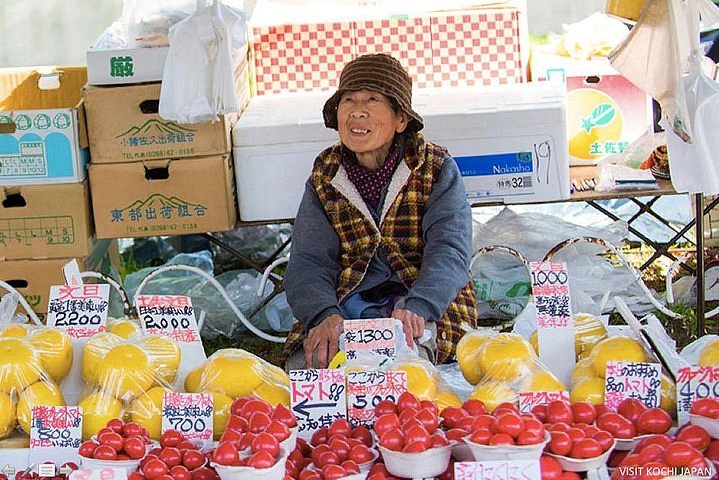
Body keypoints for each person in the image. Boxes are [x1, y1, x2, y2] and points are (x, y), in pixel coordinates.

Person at [283, 53, 478, 370]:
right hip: (348, 300)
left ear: (401, 119)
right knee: (306, 367)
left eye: (372, 100)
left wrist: (419, 305)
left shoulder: (436, 168)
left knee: (408, 367)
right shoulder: (326, 174)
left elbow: (450, 250)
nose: (357, 111)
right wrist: (323, 314)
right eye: (349, 100)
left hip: (422, 300)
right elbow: (309, 259)